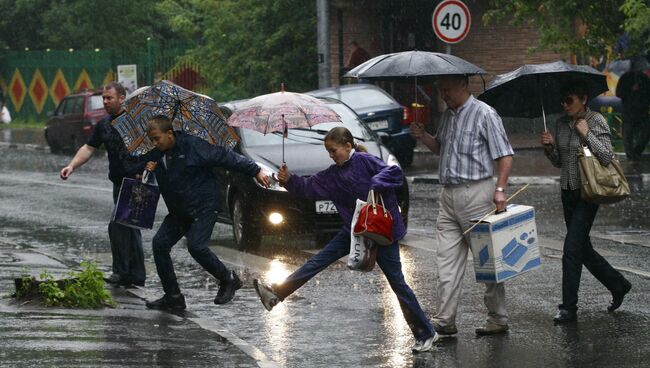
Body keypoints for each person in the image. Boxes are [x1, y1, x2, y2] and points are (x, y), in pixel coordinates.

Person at [252, 127, 439, 353]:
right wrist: (289, 179)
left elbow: (395, 174)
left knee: (397, 284)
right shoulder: (332, 174)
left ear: (348, 146)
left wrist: (377, 182)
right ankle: (276, 294)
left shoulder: (365, 161)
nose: (331, 155)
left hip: (383, 231)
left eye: (334, 150)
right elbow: (308, 188)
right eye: (328, 151)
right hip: (354, 230)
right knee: (318, 261)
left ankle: (426, 333)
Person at [410, 74, 514, 336]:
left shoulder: (485, 114)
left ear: (464, 85)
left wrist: (500, 189)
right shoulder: (448, 116)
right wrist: (423, 136)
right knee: (445, 260)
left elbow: (504, 155)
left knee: (487, 261)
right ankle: (445, 320)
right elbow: (440, 148)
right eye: (441, 90)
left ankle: (498, 318)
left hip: (477, 194)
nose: (444, 95)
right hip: (448, 195)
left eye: (448, 90)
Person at [143, 115, 270, 311]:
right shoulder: (156, 154)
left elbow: (225, 157)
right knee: (159, 244)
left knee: (196, 246)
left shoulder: (193, 146)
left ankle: (229, 279)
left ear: (169, 134)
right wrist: (146, 168)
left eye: (157, 138)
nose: (154, 143)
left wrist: (255, 170)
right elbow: (137, 169)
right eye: (151, 140)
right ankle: (173, 296)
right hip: (180, 210)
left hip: (204, 206)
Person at [541, 79, 632, 323]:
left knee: (571, 250)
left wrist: (586, 134)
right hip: (567, 191)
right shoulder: (560, 124)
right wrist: (549, 149)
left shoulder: (596, 121)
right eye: (562, 101)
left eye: (569, 100)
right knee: (583, 249)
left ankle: (568, 308)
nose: (565, 105)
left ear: (583, 99)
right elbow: (560, 162)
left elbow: (605, 156)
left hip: (587, 193)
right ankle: (618, 284)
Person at [60, 82, 146, 287]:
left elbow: (153, 149)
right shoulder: (104, 124)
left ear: (122, 98)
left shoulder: (136, 123)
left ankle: (124, 273)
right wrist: (71, 166)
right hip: (118, 183)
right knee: (128, 227)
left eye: (109, 98)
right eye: (104, 98)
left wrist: (145, 171)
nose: (105, 101)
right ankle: (133, 274)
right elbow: (89, 148)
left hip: (135, 182)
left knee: (119, 225)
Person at [616, 70, 650, 161]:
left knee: (646, 133)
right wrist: (630, 89)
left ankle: (636, 152)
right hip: (628, 112)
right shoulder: (625, 78)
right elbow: (619, 93)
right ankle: (631, 157)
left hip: (642, 112)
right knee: (627, 136)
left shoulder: (644, 78)